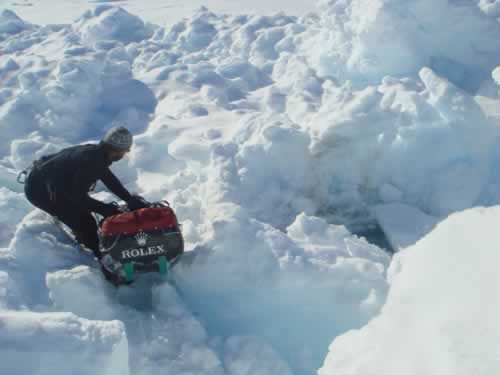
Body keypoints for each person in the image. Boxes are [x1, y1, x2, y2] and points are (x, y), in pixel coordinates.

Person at [23, 126, 148, 281]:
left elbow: (108, 179)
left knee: (85, 211)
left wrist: (129, 199)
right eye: (125, 151)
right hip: (39, 191)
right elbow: (77, 197)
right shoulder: (92, 160)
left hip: (46, 181)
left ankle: (89, 239)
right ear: (118, 150)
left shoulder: (97, 154)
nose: (124, 154)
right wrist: (107, 210)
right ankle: (106, 264)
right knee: (86, 223)